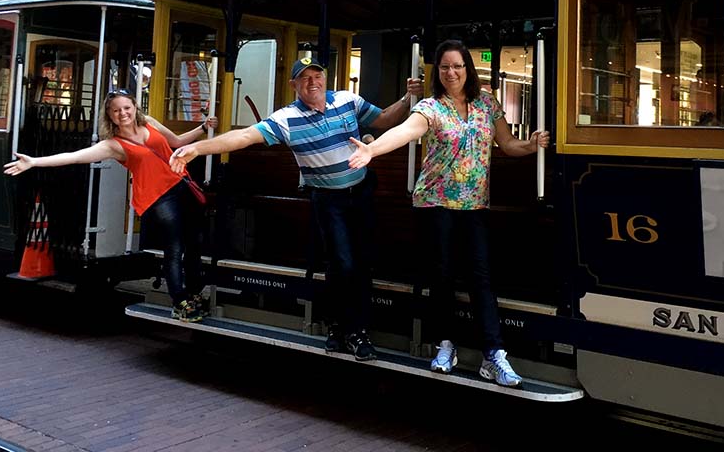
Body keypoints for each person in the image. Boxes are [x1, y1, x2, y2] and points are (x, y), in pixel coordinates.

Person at [170, 56, 422, 362]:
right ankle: (346, 329)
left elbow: (383, 119)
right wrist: (197, 147)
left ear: (325, 79)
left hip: (362, 193)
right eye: (305, 78)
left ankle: (350, 329)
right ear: (293, 85)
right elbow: (244, 136)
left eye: (317, 75)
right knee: (342, 262)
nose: (312, 82)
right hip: (328, 199)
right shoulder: (287, 119)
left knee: (358, 263)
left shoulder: (346, 100)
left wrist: (409, 99)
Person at [347, 39, 549, 387]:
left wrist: (531, 145)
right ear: (437, 72)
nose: (451, 72)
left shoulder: (487, 103)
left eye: (457, 66)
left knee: (480, 277)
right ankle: (445, 345)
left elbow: (507, 144)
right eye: (444, 67)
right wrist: (372, 150)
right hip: (434, 203)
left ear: (467, 68)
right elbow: (406, 131)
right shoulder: (431, 107)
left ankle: (494, 354)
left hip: (474, 204)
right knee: (441, 276)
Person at [4, 89, 217, 322]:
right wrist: (34, 162)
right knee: (174, 249)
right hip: (158, 198)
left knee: (195, 243)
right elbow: (75, 156)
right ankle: (180, 302)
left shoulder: (150, 123)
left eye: (126, 108)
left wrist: (203, 128)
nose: (122, 113)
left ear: (135, 107)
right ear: (109, 115)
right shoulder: (113, 145)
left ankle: (195, 294)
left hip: (182, 186)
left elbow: (177, 143)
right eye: (116, 110)